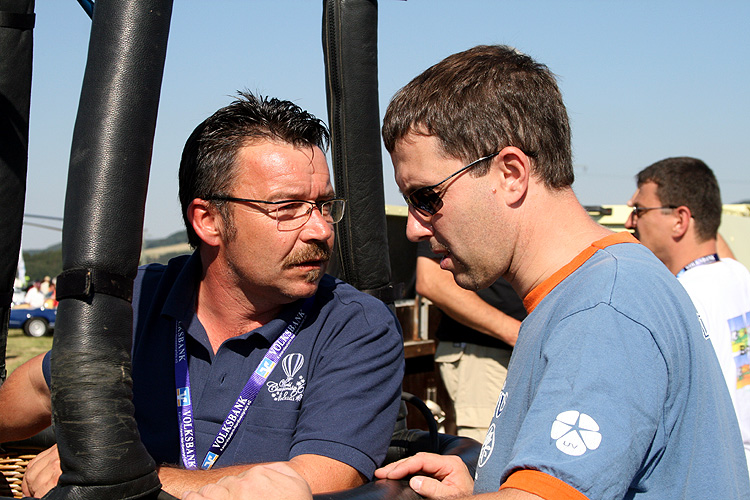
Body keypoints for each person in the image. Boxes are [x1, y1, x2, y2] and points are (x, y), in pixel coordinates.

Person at [180, 44, 750, 500]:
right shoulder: (597, 289)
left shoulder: (603, 309)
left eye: (427, 197)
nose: (414, 228)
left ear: (510, 173)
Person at [0, 92, 404, 498]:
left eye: (324, 205)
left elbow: (323, 480)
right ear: (208, 220)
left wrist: (108, 474)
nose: (321, 229)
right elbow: (40, 387)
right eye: (288, 207)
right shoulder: (136, 300)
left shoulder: (355, 325)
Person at [625, 156, 750, 473]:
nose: (629, 223)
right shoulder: (736, 274)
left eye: (639, 210)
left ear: (680, 220)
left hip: (711, 472)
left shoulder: (679, 299)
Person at [416, 240, 526, 441]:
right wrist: (517, 333)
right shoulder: (442, 218)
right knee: (489, 452)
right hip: (485, 356)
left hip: (526, 352)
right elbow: (431, 280)